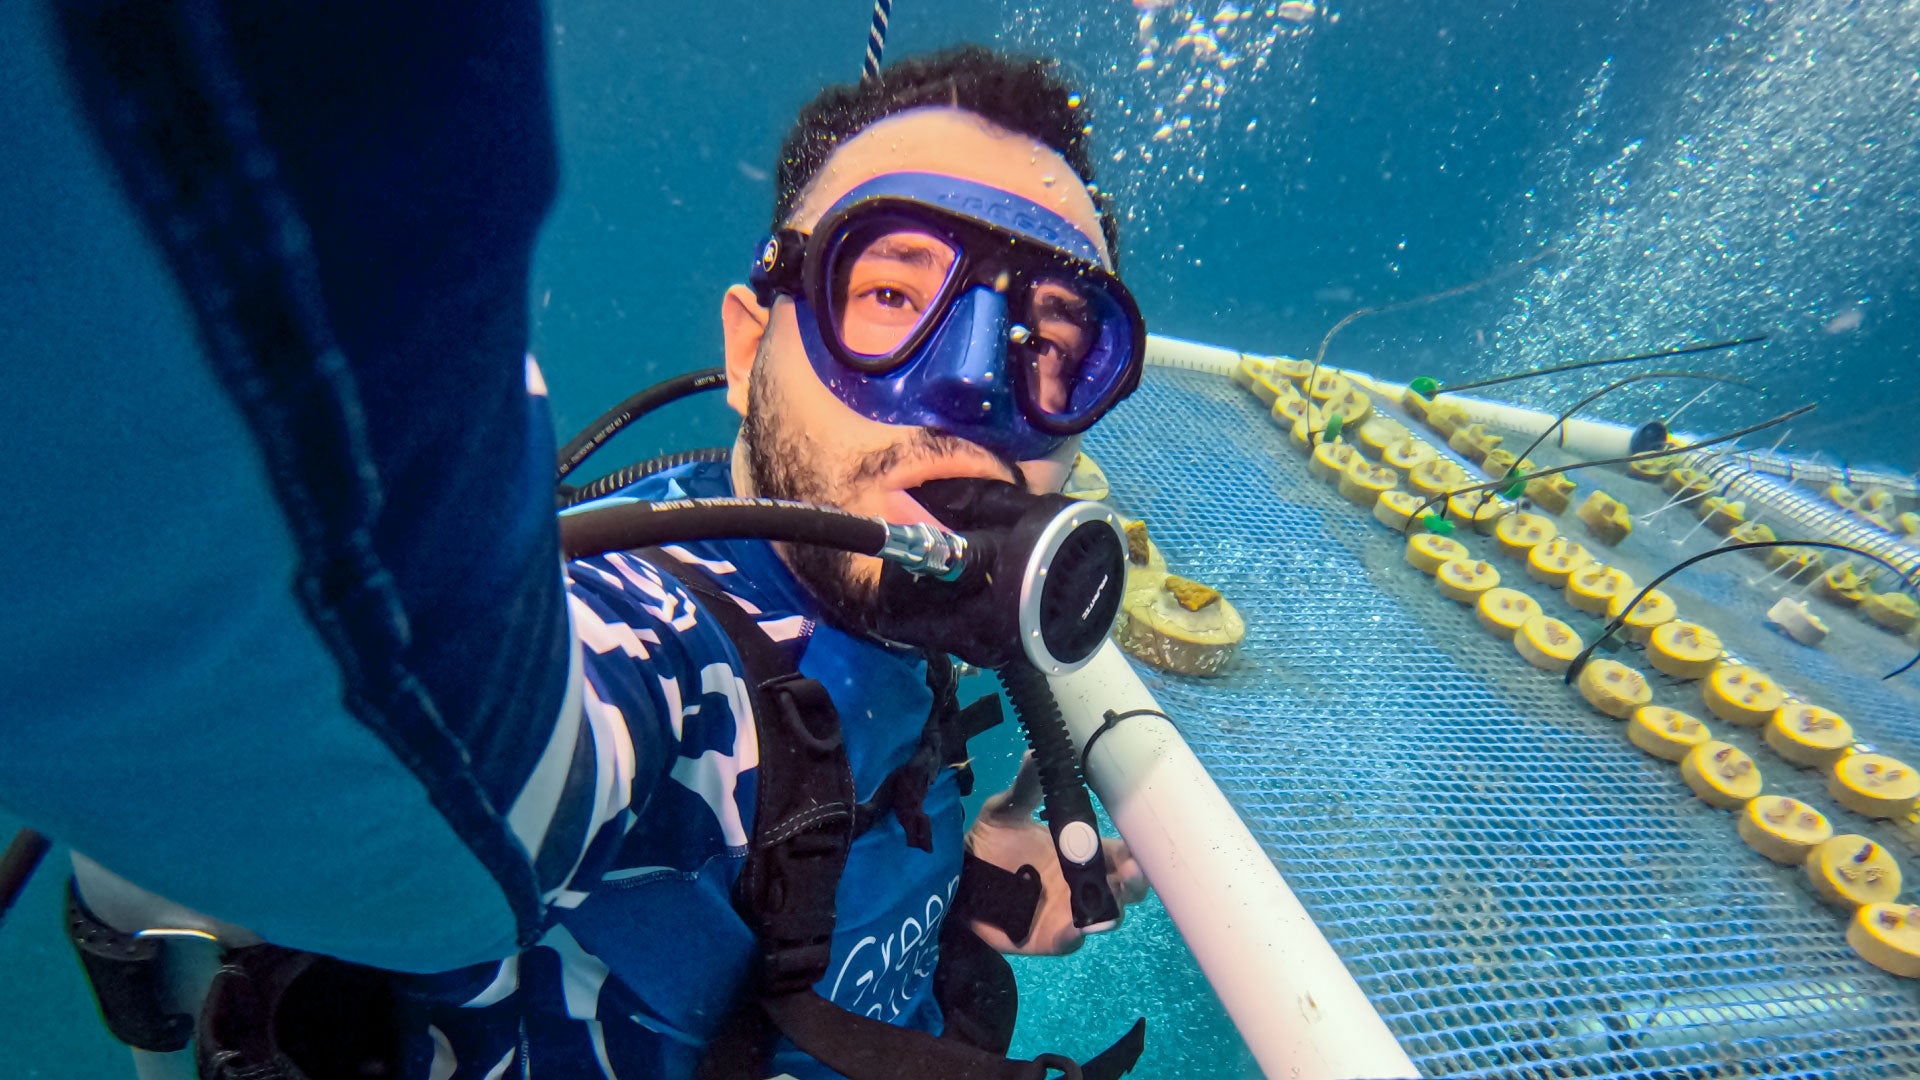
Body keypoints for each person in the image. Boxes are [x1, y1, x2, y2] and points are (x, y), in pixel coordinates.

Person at [1, 2, 1148, 1074]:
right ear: (750, 353)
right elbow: (437, 761)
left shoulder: (906, 626)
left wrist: (958, 889)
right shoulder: (658, 648)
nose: (972, 389)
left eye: (1053, 342)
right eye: (890, 294)